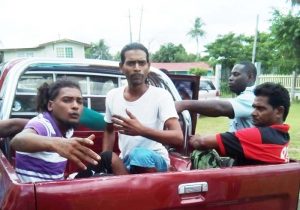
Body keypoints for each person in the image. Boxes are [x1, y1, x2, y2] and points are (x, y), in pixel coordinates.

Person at [10, 79, 123, 182]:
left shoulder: (66, 128)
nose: (75, 106)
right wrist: (56, 143)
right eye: (67, 100)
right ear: (50, 105)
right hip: (41, 196)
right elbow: (18, 140)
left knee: (109, 157)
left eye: (79, 101)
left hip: (59, 184)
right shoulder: (43, 124)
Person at [102, 42, 183, 174]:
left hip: (155, 158)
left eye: (141, 63)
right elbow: (109, 130)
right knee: (106, 159)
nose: (137, 68)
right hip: (127, 160)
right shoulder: (112, 96)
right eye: (131, 63)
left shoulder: (161, 95)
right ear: (121, 67)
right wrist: (105, 160)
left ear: (148, 66)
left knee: (140, 155)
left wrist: (140, 130)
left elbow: (178, 137)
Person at [189, 82, 290, 165]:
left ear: (279, 111)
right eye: (254, 107)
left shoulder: (257, 135)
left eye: (260, 108)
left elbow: (201, 142)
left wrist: (194, 138)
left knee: (201, 154)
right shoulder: (283, 136)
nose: (253, 113)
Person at [176, 61, 257, 132]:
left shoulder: (251, 97)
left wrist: (183, 104)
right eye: (231, 75)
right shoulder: (244, 96)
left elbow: (220, 108)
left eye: (236, 74)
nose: (230, 78)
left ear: (250, 77)